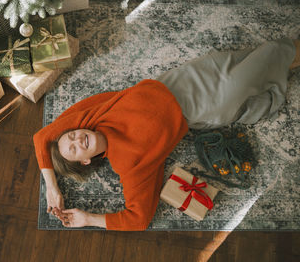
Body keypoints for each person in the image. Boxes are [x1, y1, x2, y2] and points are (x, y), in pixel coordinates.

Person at [33, 38, 300, 231]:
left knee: (244, 59)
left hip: (183, 78)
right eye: (75, 149)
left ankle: (267, 88)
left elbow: (41, 137)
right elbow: (138, 219)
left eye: (71, 136)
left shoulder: (92, 117)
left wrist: (52, 187)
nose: (77, 140)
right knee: (261, 65)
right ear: (86, 161)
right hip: (202, 107)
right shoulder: (129, 166)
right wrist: (88, 218)